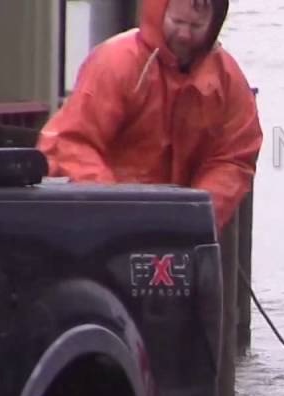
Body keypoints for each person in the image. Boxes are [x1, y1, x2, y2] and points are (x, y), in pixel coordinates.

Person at [36, 0, 262, 231]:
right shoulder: (116, 61)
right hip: (103, 224)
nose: (184, 34)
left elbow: (234, 156)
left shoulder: (227, 79)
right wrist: (117, 206)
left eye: (196, 26)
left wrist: (198, 214)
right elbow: (70, 141)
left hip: (179, 234)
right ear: (159, 11)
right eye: (177, 22)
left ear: (213, 26)